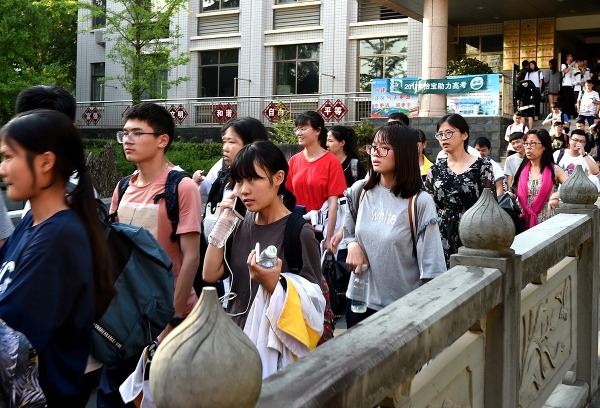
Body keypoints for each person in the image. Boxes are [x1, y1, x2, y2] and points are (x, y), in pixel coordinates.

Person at [0, 109, 115, 406]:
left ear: (46, 162)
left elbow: (13, 331)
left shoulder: (59, 237)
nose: (3, 169)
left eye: (9, 157)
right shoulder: (32, 223)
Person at [98, 102, 202, 408]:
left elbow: (191, 258)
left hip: (167, 315)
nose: (127, 140)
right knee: (114, 394)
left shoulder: (181, 187)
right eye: (125, 133)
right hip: (123, 317)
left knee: (162, 396)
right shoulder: (122, 186)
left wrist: (170, 318)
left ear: (162, 140)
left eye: (137, 133)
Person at [202, 141, 325, 375]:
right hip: (235, 343)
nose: (243, 190)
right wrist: (223, 223)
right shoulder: (238, 224)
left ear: (278, 178)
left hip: (275, 353)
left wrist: (273, 284)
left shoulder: (299, 233)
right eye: (239, 181)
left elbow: (315, 306)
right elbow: (209, 273)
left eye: (253, 179)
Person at [343, 124, 446, 328]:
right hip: (359, 302)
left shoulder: (419, 202)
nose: (375, 153)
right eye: (373, 147)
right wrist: (352, 245)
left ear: (404, 153)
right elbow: (349, 232)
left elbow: (432, 268)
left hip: (401, 310)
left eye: (384, 148)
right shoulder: (360, 191)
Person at [424, 114, 495, 267]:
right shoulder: (435, 170)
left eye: (449, 133)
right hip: (441, 234)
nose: (444, 138)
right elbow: (429, 208)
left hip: (473, 233)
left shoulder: (482, 167)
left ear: (464, 134)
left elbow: (490, 205)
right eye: (440, 134)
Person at [285, 111, 347, 252]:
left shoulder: (331, 161)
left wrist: (329, 238)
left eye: (303, 128)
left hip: (319, 232)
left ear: (318, 131)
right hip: (296, 228)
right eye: (297, 128)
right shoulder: (294, 160)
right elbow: (287, 198)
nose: (298, 133)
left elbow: (333, 203)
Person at [513, 129, 567, 230]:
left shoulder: (555, 170)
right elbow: (515, 193)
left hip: (547, 225)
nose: (528, 147)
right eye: (526, 143)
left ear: (544, 146)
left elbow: (572, 186)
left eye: (532, 143)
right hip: (523, 222)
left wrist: (556, 195)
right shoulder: (520, 170)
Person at [560, 53, 578, 119]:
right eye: (570, 56)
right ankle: (565, 115)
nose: (571, 57)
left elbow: (573, 75)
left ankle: (571, 114)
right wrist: (570, 65)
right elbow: (566, 71)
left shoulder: (573, 66)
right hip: (565, 85)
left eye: (572, 56)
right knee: (566, 101)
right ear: (567, 57)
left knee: (571, 101)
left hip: (571, 85)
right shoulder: (563, 65)